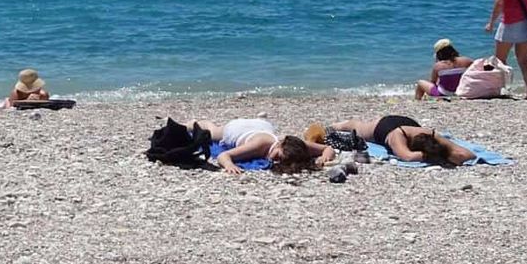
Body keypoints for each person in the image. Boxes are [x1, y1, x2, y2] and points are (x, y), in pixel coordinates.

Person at [197, 116, 335, 175]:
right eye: (277, 157)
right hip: (237, 130)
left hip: (262, 126)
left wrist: (325, 157)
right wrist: (229, 165)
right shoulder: (259, 146)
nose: (276, 161)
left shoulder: (295, 146)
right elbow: (224, 155)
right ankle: (197, 123)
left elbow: (328, 148)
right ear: (279, 145)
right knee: (212, 132)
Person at [328, 114, 475, 166]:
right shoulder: (397, 137)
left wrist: (445, 151)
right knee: (358, 127)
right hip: (384, 126)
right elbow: (407, 156)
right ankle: (335, 125)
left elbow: (468, 154)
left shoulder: (431, 134)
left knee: (359, 126)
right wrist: (438, 155)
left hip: (408, 122)